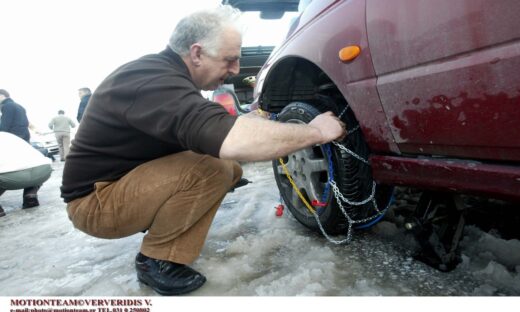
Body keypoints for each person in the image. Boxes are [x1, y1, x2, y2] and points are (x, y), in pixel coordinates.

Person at [61, 5, 346, 296]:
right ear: (196, 53)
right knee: (214, 169)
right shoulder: (152, 80)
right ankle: (157, 260)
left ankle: (163, 233)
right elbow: (233, 142)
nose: (235, 69)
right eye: (230, 59)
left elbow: (206, 130)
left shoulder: (164, 76)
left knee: (227, 169)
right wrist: (316, 131)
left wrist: (244, 124)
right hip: (95, 203)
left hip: (119, 185)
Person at [0, 89, 42, 208]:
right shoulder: (19, 106)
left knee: (5, 170)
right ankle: (30, 196)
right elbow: (26, 123)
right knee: (30, 169)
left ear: (2, 96)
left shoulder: (7, 106)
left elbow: (4, 126)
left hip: (11, 142)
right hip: (23, 141)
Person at [0, 132, 52, 216]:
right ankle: (30, 195)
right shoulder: (8, 135)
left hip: (12, 176)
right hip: (42, 170)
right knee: (30, 170)